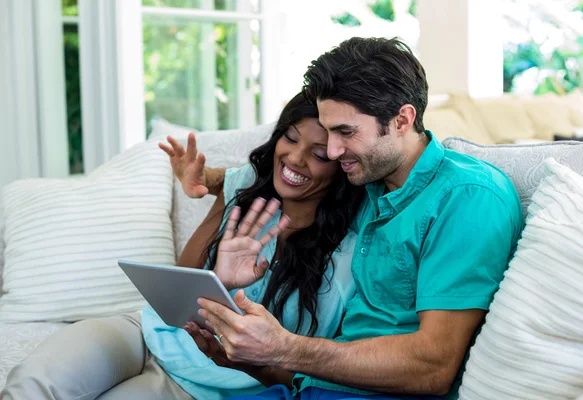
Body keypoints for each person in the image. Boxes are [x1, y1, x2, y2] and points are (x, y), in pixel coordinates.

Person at [186, 37, 525, 400]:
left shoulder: (466, 197)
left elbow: (434, 367)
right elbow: (276, 176)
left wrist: (285, 347)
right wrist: (249, 359)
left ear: (402, 120)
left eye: (345, 132)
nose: (332, 151)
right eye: (329, 132)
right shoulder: (365, 187)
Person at [1, 93, 365, 400]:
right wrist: (217, 278)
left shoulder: (348, 259)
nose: (295, 158)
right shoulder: (248, 187)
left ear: (341, 166)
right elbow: (182, 277)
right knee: (32, 381)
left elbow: (310, 373)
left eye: (318, 154)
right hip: (147, 332)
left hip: (201, 384)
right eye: (289, 137)